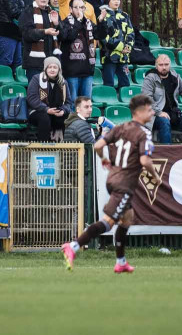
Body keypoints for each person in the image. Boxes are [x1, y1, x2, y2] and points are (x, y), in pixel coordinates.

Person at [61, 94, 158, 274]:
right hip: (125, 183)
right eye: (150, 110)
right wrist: (156, 177)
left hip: (112, 178)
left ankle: (121, 262)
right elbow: (145, 161)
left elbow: (97, 146)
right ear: (140, 111)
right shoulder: (144, 133)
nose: (153, 113)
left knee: (127, 218)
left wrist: (104, 159)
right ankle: (73, 246)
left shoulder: (120, 128)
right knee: (108, 222)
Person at [141, 54, 182, 144]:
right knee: (164, 122)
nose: (164, 67)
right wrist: (159, 112)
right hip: (154, 116)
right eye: (161, 65)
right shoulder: (150, 78)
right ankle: (167, 154)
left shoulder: (175, 77)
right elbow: (146, 98)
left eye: (166, 64)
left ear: (170, 65)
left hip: (173, 114)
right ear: (156, 66)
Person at [26, 56, 74, 141]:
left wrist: (63, 110)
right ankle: (43, 145)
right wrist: (46, 109)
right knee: (44, 118)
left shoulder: (63, 82)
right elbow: (32, 98)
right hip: (38, 111)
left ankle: (59, 145)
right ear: (45, 69)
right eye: (50, 67)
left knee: (64, 117)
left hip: (57, 111)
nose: (52, 70)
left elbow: (68, 102)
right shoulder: (37, 79)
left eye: (55, 67)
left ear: (59, 69)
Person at [20, 0, 61, 83]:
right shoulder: (28, 11)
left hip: (51, 62)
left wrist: (57, 24)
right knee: (35, 93)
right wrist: (45, 32)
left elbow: (62, 35)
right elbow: (27, 34)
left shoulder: (53, 12)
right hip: (34, 63)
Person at [59, 0, 96, 100]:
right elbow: (68, 37)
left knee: (86, 103)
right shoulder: (65, 23)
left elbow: (99, 34)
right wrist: (78, 22)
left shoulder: (88, 22)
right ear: (70, 9)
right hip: (72, 71)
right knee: (73, 102)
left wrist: (102, 21)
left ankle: (85, 117)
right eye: (76, 7)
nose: (79, 10)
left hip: (87, 70)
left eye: (82, 7)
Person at [97, 0, 135, 89]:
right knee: (109, 83)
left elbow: (131, 32)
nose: (116, 1)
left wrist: (128, 46)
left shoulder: (125, 15)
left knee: (125, 83)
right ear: (108, 1)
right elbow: (104, 37)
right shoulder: (104, 16)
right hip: (109, 57)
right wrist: (120, 47)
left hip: (123, 57)